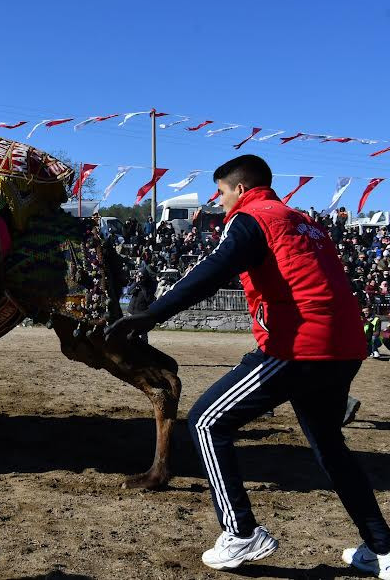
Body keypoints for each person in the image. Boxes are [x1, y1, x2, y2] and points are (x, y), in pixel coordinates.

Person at [106, 155, 390, 576]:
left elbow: (214, 268)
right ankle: (382, 549)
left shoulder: (252, 216)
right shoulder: (302, 219)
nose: (218, 202)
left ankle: (241, 533)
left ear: (239, 189)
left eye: (220, 192)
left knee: (206, 421)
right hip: (345, 345)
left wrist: (151, 314)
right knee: (330, 448)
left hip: (299, 345)